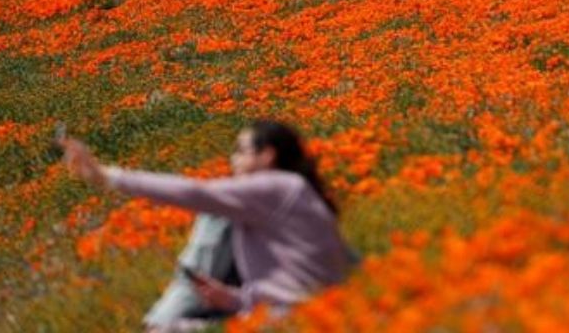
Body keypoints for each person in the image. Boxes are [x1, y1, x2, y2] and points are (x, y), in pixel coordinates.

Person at [61, 121, 355, 326]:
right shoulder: (297, 190)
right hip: (312, 312)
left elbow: (197, 193)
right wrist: (232, 299)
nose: (233, 160)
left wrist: (108, 176)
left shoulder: (276, 187)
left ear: (267, 156)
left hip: (293, 319)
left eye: (241, 151)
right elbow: (295, 279)